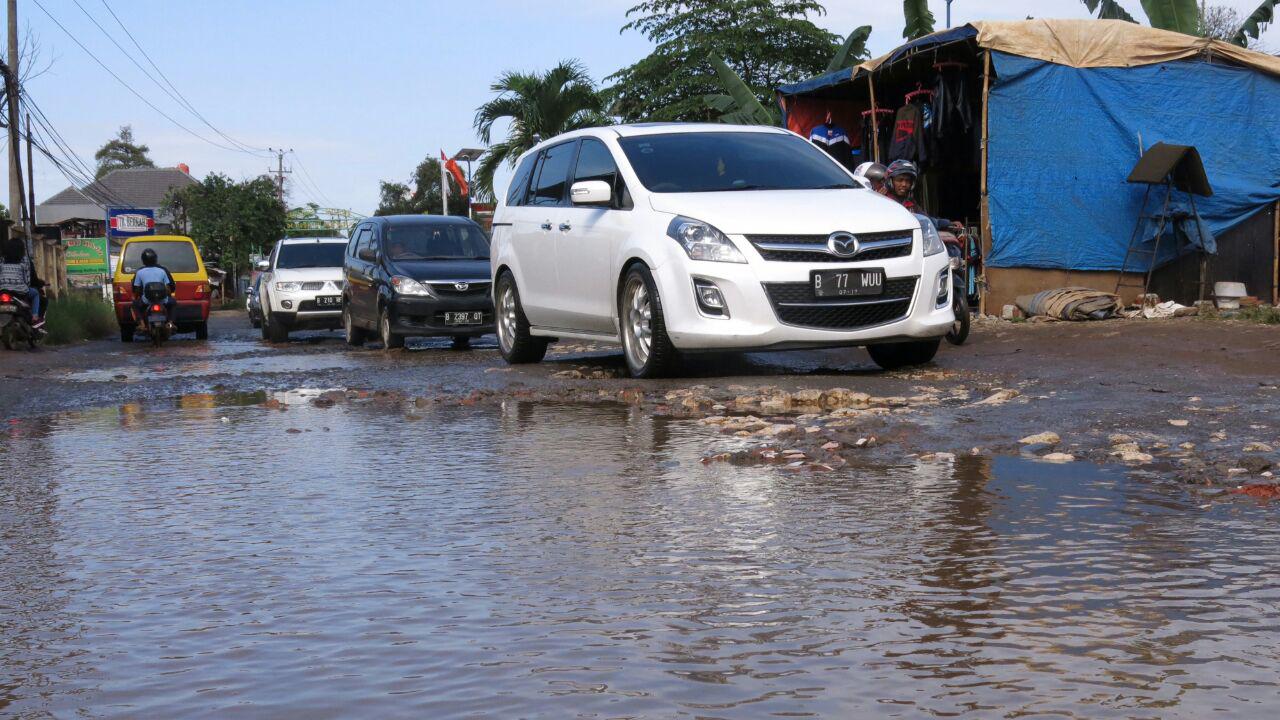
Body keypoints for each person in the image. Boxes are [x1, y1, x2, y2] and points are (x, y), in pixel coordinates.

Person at [884, 160, 962, 233]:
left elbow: (927, 220)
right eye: (900, 180)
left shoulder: (910, 203)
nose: (904, 184)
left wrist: (948, 223)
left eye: (908, 181)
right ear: (890, 182)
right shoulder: (884, 201)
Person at [0, 238, 45, 330]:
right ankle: (35, 317)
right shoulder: (25, 260)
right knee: (36, 293)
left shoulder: (2, 259)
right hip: (20, 289)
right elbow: (28, 279)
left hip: (3, 289)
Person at [131, 247, 177, 326]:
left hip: (146, 300)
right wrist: (168, 294)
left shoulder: (139, 272)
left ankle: (142, 324)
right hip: (162, 300)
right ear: (155, 259)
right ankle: (170, 323)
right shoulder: (162, 271)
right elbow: (168, 288)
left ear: (143, 260)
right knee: (173, 303)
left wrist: (135, 297)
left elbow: (137, 289)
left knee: (135, 304)